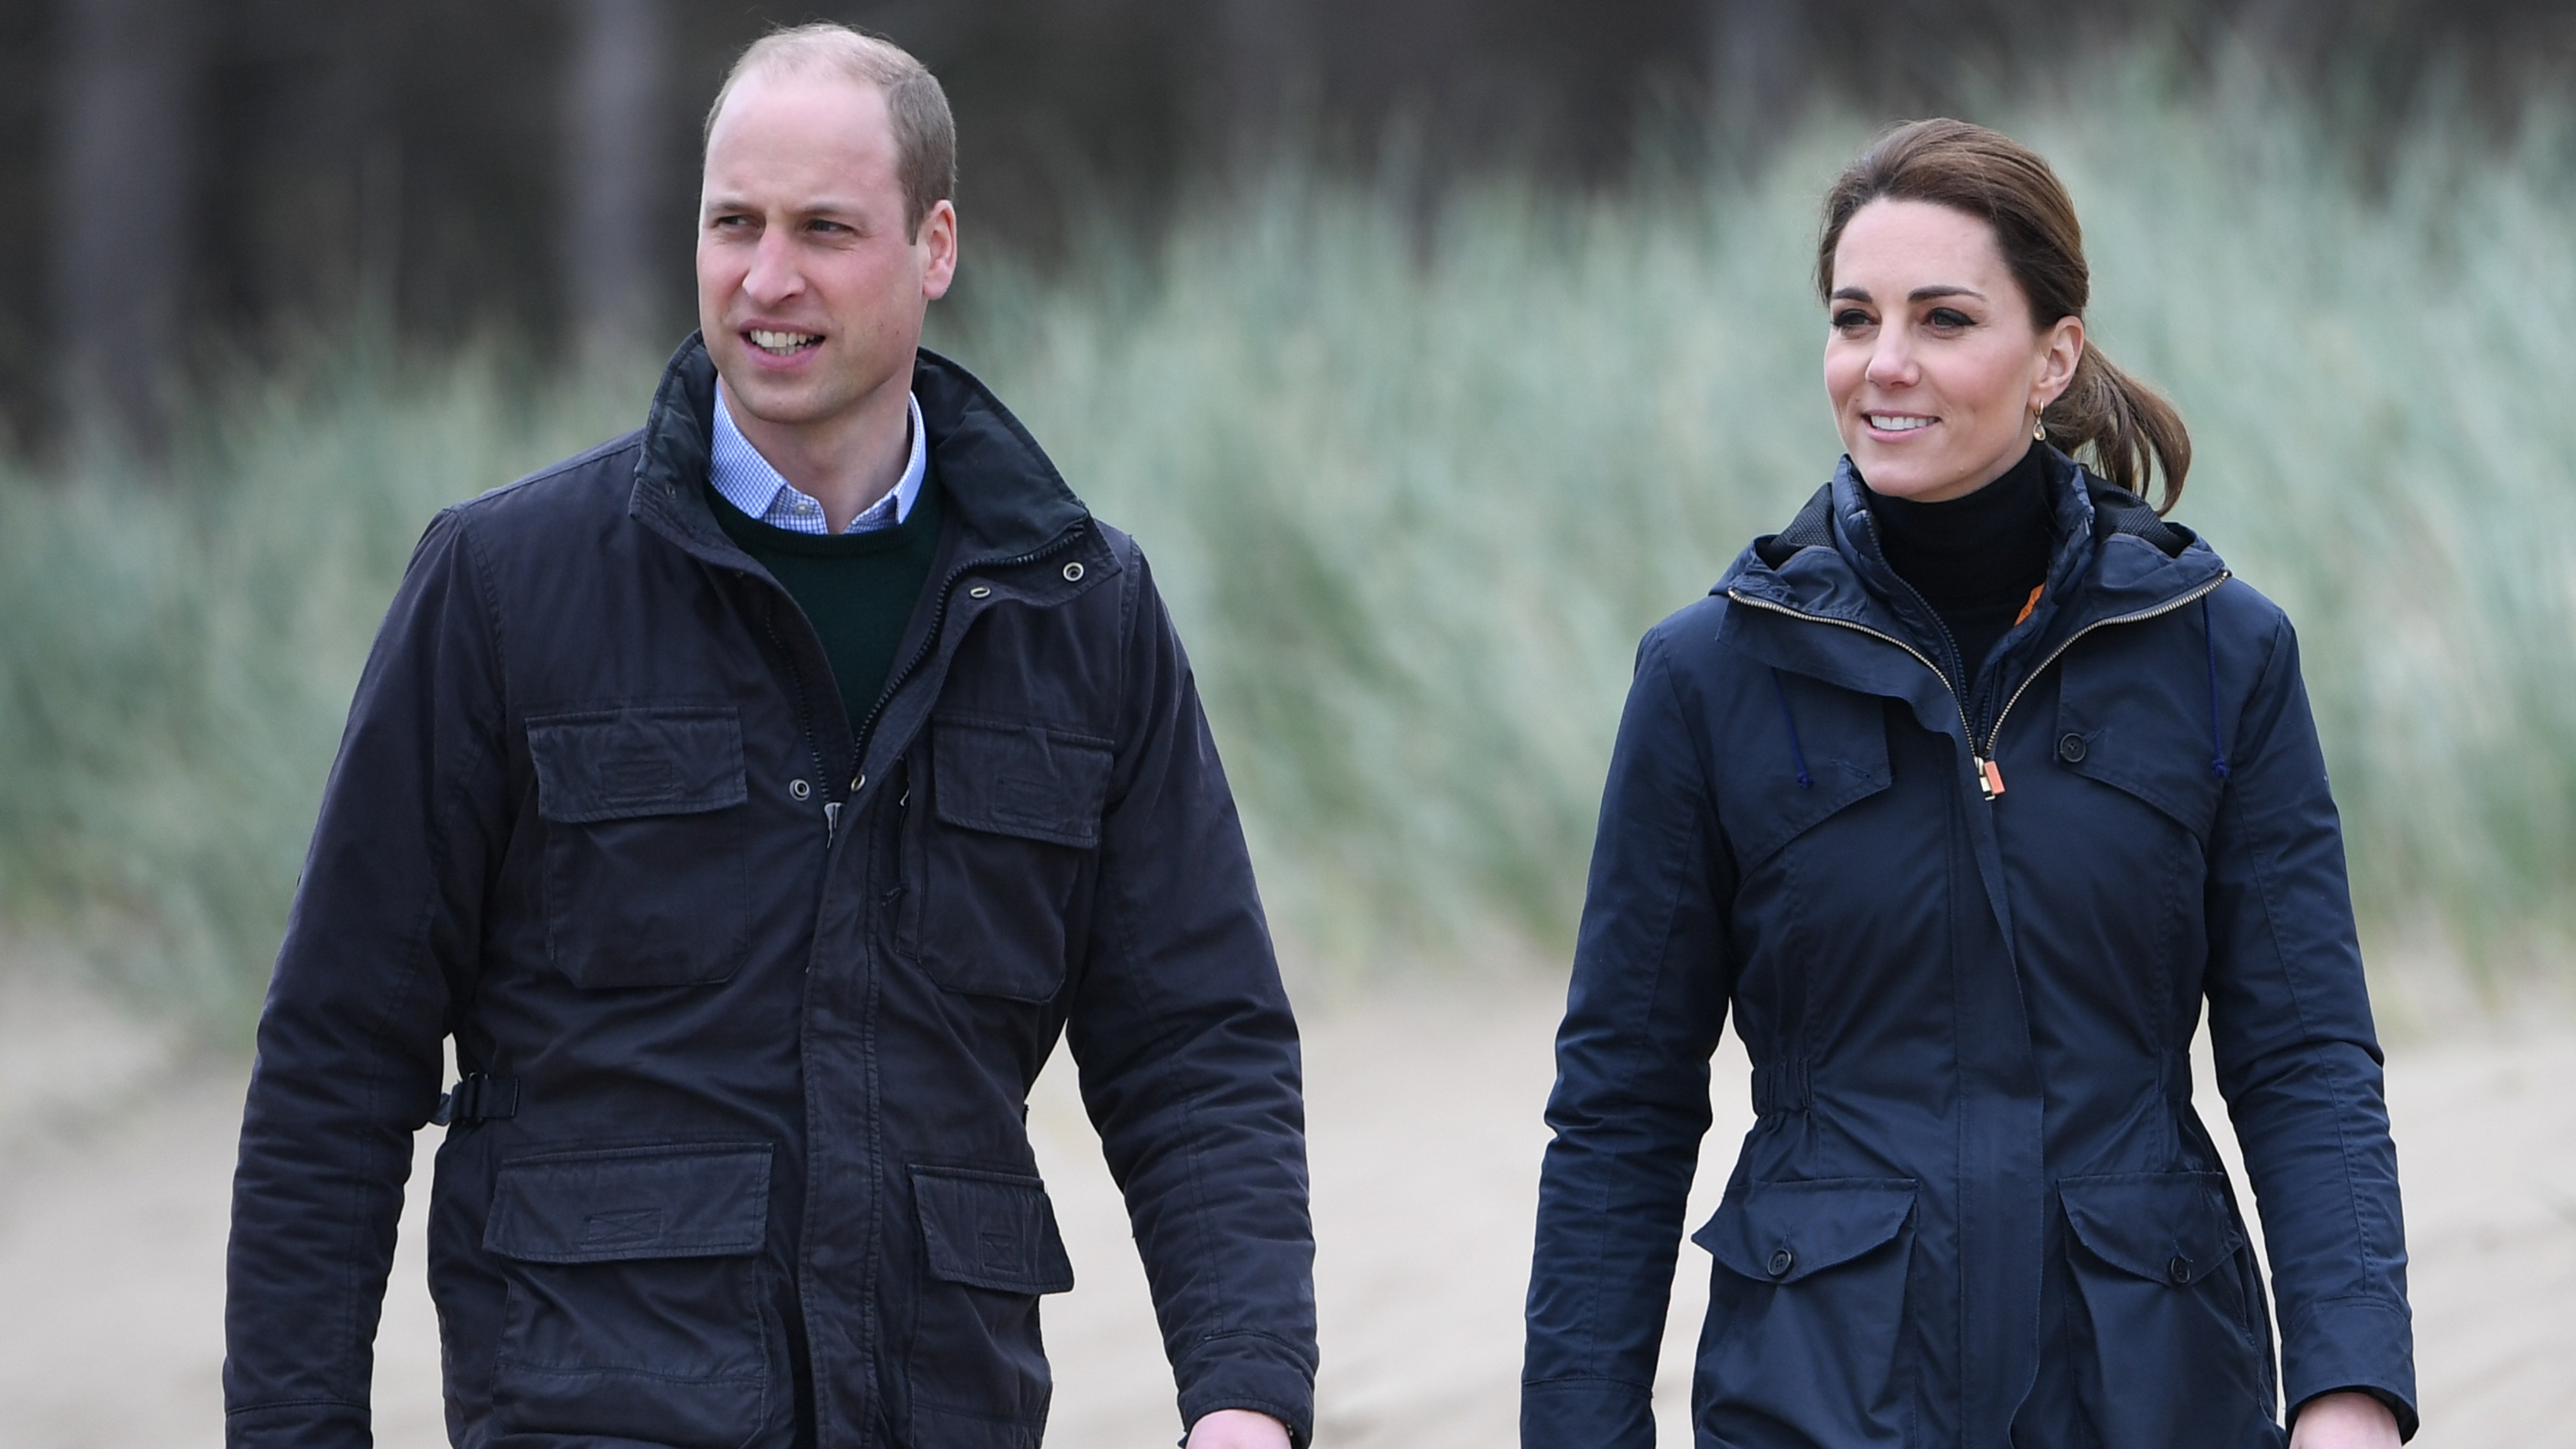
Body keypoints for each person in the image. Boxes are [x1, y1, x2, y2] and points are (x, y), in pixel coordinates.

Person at [223, 25, 1313, 1449]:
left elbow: (1196, 1045)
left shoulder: (1078, 612)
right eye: (732, 223)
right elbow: (339, 1055)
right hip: (591, 1405)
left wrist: (1246, 1395)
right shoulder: (503, 584)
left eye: (823, 229)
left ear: (934, 246)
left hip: (946, 1407)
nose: (766, 278)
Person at [1521, 119, 2414, 1449]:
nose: (1885, 364)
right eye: (1853, 317)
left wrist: (2351, 1394)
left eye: (1944, 319)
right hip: (1819, 1396)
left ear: (2053, 355)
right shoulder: (1709, 675)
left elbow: (2305, 1060)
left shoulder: (2226, 653)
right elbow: (1623, 1102)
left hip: (2152, 1387)